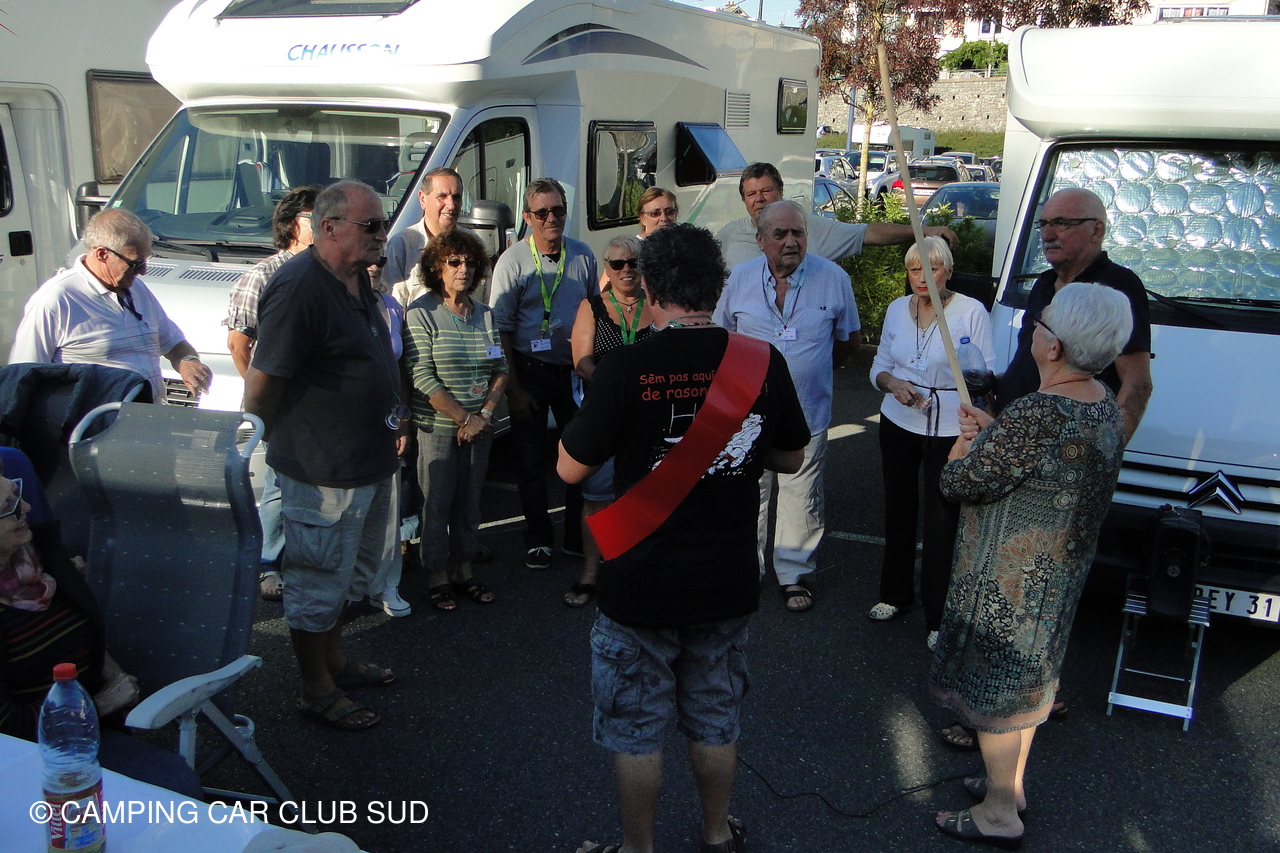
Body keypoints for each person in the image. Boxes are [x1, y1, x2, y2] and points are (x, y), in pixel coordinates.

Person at [558, 223, 809, 853]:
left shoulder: (626, 366)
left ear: (647, 289)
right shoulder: (760, 360)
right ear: (717, 287)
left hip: (641, 579)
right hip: (725, 576)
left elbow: (570, 470)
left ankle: (639, 848)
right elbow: (790, 457)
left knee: (637, 728)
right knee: (715, 716)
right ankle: (717, 834)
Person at [930, 282, 1131, 849]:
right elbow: (1050, 464)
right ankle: (1010, 786)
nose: (1033, 330)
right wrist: (997, 434)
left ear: (1054, 347)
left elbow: (960, 482)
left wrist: (963, 449)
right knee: (1029, 686)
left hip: (1008, 583)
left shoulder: (1037, 412)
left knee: (997, 698)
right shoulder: (1103, 402)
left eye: (1040, 324)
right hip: (1057, 579)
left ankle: (998, 813)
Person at [244, 180, 403, 732]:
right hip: (323, 469)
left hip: (368, 460)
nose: (382, 235)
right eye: (372, 226)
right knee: (316, 580)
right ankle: (315, 687)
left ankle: (334, 663)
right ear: (328, 226)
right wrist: (278, 442)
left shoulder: (356, 278)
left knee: (348, 576)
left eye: (382, 225)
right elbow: (262, 384)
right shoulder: (298, 287)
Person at [0, 472, 203, 798]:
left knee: (173, 785)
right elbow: (7, 726)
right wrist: (100, 704)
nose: (26, 506)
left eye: (17, 493)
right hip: (33, 755)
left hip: (88, 730)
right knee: (171, 790)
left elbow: (82, 624)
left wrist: (111, 670)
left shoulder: (35, 560)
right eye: (8, 507)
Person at [713, 200, 860, 613]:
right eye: (780, 234)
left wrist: (815, 371)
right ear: (760, 240)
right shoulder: (739, 279)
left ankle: (794, 574)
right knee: (749, 492)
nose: (791, 241)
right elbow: (722, 337)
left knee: (802, 494)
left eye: (798, 232)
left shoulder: (834, 279)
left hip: (808, 411)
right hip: (748, 416)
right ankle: (746, 570)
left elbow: (848, 341)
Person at [868, 237, 993, 650]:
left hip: (948, 428)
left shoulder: (971, 311)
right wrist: (892, 383)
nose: (922, 277)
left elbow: (986, 374)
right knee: (898, 508)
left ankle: (938, 615)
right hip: (898, 420)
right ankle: (894, 594)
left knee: (943, 520)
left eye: (932, 268)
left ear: (949, 271)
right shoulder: (895, 310)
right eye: (914, 269)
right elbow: (879, 366)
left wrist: (973, 422)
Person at [490, 178, 595, 570]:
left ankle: (575, 537)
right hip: (528, 371)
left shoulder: (582, 255)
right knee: (531, 460)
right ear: (527, 217)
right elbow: (500, 330)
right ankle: (538, 538)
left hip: (572, 372)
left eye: (558, 210)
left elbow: (593, 313)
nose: (551, 218)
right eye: (542, 212)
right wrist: (513, 391)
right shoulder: (513, 261)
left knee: (579, 455)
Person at [402, 230, 508, 612]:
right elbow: (421, 375)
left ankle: (464, 570)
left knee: (470, 503)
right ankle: (436, 575)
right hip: (438, 426)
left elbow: (501, 367)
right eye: (455, 262)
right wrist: (464, 418)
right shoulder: (421, 312)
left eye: (471, 262)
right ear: (437, 267)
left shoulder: (485, 314)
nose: (464, 269)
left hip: (480, 426)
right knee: (436, 503)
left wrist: (485, 414)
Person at [223, 185, 318, 602]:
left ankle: (305, 561)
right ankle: (267, 563)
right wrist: (264, 400)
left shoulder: (325, 273)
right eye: (316, 217)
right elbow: (238, 346)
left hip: (316, 403)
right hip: (280, 405)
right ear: (292, 225)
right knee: (279, 483)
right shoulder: (262, 276)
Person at [997, 187, 1153, 441]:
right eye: (1043, 224)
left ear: (1096, 230)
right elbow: (1036, 364)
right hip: (1014, 435)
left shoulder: (1115, 287)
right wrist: (997, 383)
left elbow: (1137, 384)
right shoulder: (1043, 284)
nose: (1048, 234)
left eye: (1061, 223)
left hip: (1065, 449)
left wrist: (1107, 448)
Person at [10, 209, 212, 403]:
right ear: (102, 254)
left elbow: (172, 342)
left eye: (146, 261)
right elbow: (21, 376)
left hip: (146, 416)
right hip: (92, 421)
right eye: (135, 263)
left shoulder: (138, 289)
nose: (143, 271)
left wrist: (188, 361)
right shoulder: (57, 299)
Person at [563, 235, 653, 608]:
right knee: (597, 497)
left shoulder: (656, 302)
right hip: (605, 414)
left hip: (647, 416)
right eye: (618, 264)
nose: (626, 269)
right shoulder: (592, 307)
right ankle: (590, 571)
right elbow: (581, 362)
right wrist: (618, 384)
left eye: (633, 262)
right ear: (607, 269)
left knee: (643, 496)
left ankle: (636, 569)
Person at [714, 162, 956, 270]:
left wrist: (923, 232)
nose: (759, 199)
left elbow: (868, 233)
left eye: (766, 191)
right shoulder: (729, 236)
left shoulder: (810, 228)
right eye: (751, 194)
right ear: (744, 199)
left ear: (780, 191)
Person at [383, 167, 469, 309]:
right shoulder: (402, 245)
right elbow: (393, 307)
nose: (451, 205)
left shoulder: (472, 244)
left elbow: (485, 301)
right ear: (423, 199)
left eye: (456, 197)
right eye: (442, 196)